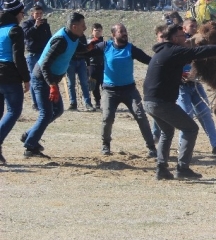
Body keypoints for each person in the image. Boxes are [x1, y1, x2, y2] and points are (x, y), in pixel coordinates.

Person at [143, 23, 216, 180]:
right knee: (191, 129)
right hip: (161, 103)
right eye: (183, 36)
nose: (186, 39)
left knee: (167, 132)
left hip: (150, 102)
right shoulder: (175, 51)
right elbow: (200, 51)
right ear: (175, 38)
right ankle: (182, 168)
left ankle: (161, 169)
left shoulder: (162, 52)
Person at [22, 12, 96, 158]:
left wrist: (88, 47)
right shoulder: (61, 40)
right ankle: (30, 147)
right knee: (46, 113)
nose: (85, 28)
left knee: (58, 110)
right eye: (82, 25)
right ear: (74, 26)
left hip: (51, 80)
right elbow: (44, 65)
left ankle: (29, 136)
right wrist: (53, 86)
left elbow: (76, 48)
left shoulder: (73, 37)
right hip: (42, 79)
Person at [88, 23, 156, 157]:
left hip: (129, 90)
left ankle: (151, 147)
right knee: (107, 118)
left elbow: (149, 60)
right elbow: (85, 52)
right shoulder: (105, 46)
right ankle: (105, 144)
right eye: (121, 31)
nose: (124, 33)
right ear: (113, 34)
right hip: (109, 91)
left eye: (125, 31)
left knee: (141, 116)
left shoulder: (131, 49)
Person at [177, 18, 216, 157]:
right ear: (184, 28)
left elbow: (208, 54)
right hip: (181, 86)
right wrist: (180, 75)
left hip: (195, 85)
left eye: (195, 26)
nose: (194, 28)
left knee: (206, 113)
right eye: (191, 26)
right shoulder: (178, 45)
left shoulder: (198, 43)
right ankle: (181, 147)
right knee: (186, 116)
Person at [0, 0, 30, 164]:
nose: (23, 15)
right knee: (14, 111)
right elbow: (18, 57)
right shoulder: (15, 30)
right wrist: (26, 78)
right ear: (16, 13)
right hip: (9, 74)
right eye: (22, 12)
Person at [21, 5, 51, 110]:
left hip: (44, 55)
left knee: (45, 78)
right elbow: (25, 35)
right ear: (32, 13)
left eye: (40, 13)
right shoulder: (26, 24)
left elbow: (49, 38)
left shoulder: (45, 24)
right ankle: (35, 103)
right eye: (36, 13)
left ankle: (45, 101)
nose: (38, 16)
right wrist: (35, 26)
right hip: (33, 55)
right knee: (34, 79)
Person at [87, 23, 104, 109]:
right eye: (95, 30)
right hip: (92, 65)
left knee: (104, 84)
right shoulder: (89, 42)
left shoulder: (105, 43)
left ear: (102, 32)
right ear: (92, 31)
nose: (97, 32)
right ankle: (97, 101)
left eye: (99, 30)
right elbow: (86, 54)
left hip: (103, 66)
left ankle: (106, 101)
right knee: (94, 85)